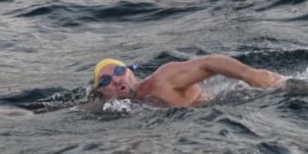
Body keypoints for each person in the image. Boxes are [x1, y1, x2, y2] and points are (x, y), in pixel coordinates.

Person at [92, 55, 286, 107]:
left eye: (119, 71)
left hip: (246, 100)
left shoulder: (163, 79)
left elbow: (208, 64)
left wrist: (250, 75)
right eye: (106, 80)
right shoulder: (111, 109)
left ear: (132, 73)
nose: (116, 80)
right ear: (101, 93)